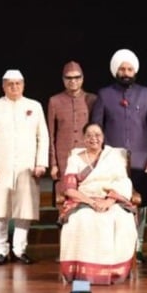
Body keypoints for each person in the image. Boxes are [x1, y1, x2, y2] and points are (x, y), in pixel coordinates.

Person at [91, 49, 147, 263]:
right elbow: (97, 128)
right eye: (122, 68)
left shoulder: (146, 93)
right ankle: (116, 246)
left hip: (141, 159)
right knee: (115, 202)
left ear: (135, 70)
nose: (126, 72)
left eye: (129, 68)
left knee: (141, 204)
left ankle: (138, 246)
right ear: (115, 71)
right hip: (113, 161)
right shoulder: (104, 94)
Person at [0, 69, 49, 266]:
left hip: (27, 168)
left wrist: (41, 164)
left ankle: (19, 250)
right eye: (10, 84)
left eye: (18, 83)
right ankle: (1, 251)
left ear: (23, 85)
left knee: (23, 211)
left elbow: (42, 136)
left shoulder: (34, 106)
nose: (14, 87)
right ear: (3, 86)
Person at [58, 123, 138, 284]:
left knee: (122, 220)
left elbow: (123, 182)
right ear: (83, 138)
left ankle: (114, 271)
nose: (93, 138)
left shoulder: (114, 157)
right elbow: (69, 189)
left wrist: (108, 201)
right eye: (89, 135)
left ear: (102, 138)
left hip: (111, 200)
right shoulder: (75, 158)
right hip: (83, 200)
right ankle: (82, 273)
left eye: (97, 135)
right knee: (80, 220)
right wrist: (91, 203)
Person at [47, 61, 97, 198]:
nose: (73, 81)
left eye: (77, 77)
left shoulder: (91, 100)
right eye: (69, 78)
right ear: (63, 79)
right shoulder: (55, 101)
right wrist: (53, 164)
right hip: (64, 157)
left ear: (82, 78)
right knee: (65, 196)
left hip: (87, 156)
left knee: (88, 193)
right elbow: (50, 135)